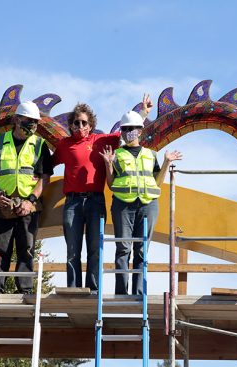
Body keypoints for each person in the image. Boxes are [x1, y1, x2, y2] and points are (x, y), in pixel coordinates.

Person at [53, 97, 152, 292]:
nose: (79, 126)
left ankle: (93, 290)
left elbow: (127, 133)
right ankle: (73, 288)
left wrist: (143, 113)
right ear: (71, 124)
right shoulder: (64, 145)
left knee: (94, 250)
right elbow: (46, 166)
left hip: (95, 200)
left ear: (90, 125)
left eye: (84, 122)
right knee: (72, 250)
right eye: (76, 122)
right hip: (72, 202)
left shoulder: (100, 141)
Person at [101, 110, 182, 295]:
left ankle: (139, 293)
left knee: (141, 249)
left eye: (132, 128)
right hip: (123, 205)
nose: (128, 132)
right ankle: (121, 292)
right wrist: (107, 164)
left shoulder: (151, 155)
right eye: (125, 129)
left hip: (148, 204)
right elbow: (111, 184)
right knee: (123, 248)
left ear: (140, 131)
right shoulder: (117, 155)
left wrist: (166, 163)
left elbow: (158, 182)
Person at [0, 100, 53, 294]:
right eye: (28, 120)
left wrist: (31, 201)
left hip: (28, 205)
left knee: (26, 249)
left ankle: (25, 290)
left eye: (35, 122)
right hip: (3, 203)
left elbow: (45, 178)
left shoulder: (39, 144)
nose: (32, 125)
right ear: (16, 119)